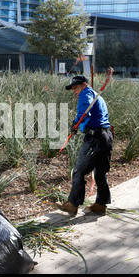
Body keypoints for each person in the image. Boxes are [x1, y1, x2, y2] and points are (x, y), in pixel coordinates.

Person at [56, 75, 113, 216]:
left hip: (95, 139)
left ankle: (72, 204)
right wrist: (79, 125)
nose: (74, 91)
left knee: (78, 171)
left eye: (76, 87)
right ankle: (101, 204)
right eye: (73, 88)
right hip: (106, 136)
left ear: (84, 85)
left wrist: (76, 123)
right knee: (100, 172)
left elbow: (84, 110)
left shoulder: (86, 94)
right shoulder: (97, 96)